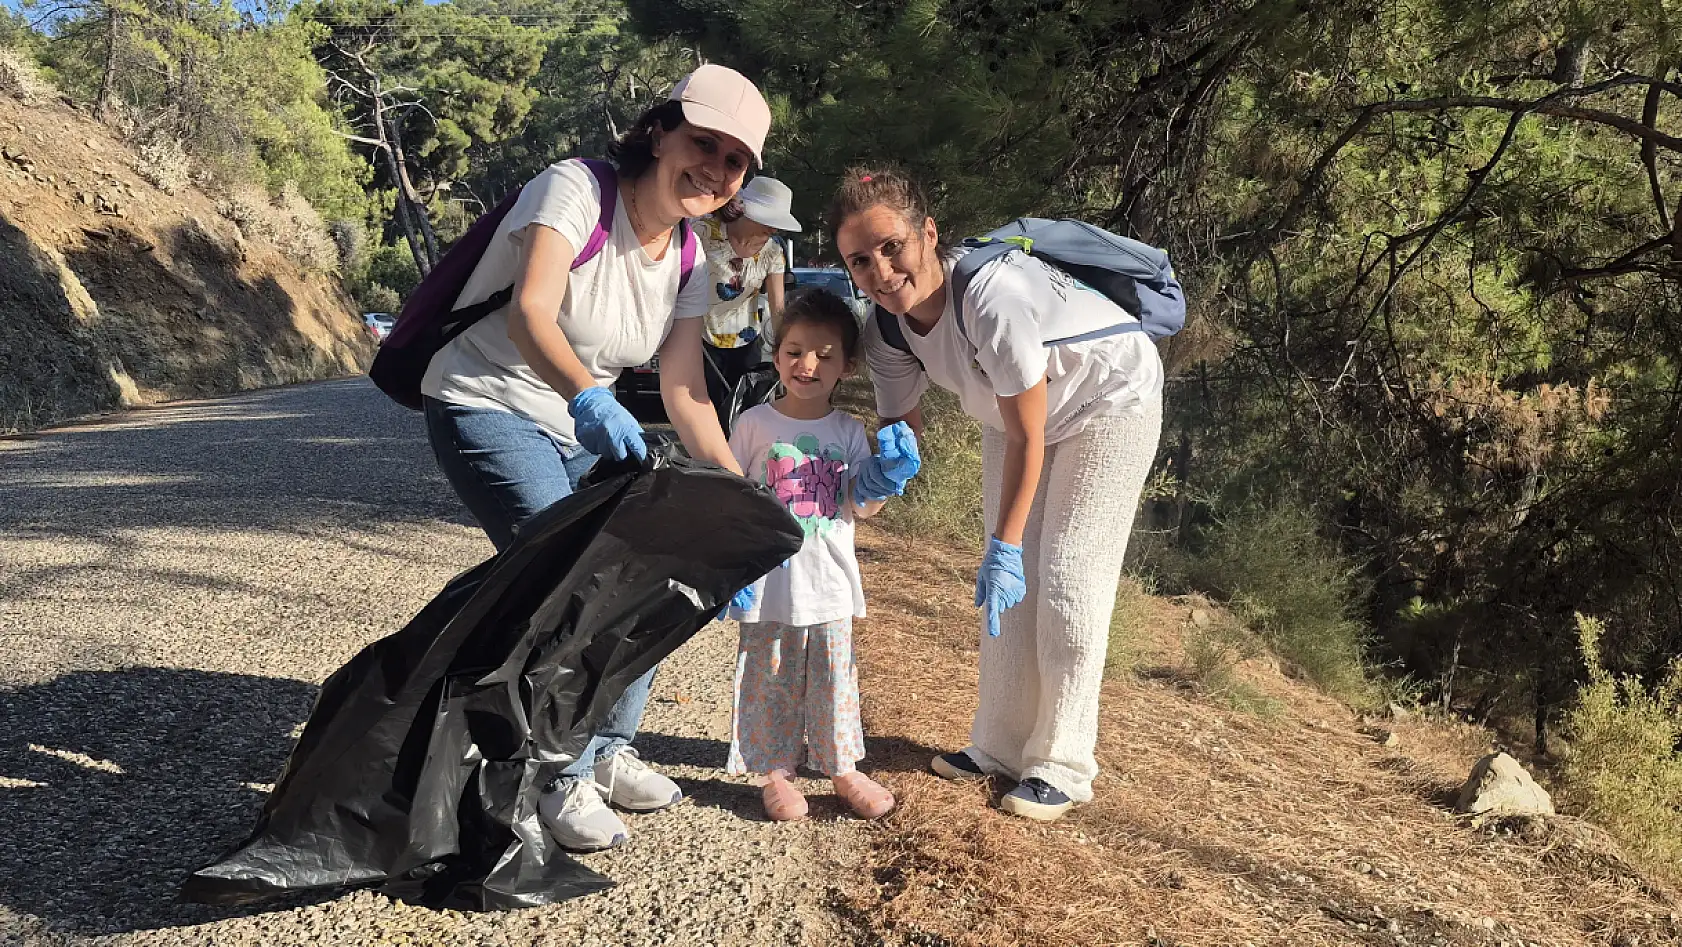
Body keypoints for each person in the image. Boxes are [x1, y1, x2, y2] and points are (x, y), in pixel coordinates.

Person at [417, 64, 771, 853]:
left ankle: (607, 750)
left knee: (651, 564)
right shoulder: (574, 190)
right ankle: (555, 775)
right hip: (490, 402)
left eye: (734, 160)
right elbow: (529, 312)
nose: (713, 168)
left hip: (582, 421)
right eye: (701, 142)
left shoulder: (689, 259)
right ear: (660, 131)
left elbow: (686, 392)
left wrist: (742, 498)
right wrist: (589, 397)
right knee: (578, 582)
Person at [830, 167, 1165, 822]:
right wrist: (890, 463)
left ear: (927, 233)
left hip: (1107, 399)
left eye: (892, 246)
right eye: (860, 261)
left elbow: (1030, 435)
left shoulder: (990, 294)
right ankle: (1001, 744)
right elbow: (903, 422)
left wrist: (1007, 543)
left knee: (1065, 577)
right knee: (1003, 594)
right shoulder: (885, 330)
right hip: (1010, 417)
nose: (881, 270)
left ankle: (1063, 763)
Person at [724, 288, 921, 822]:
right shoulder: (753, 427)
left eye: (823, 355)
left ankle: (841, 767)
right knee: (769, 675)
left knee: (837, 677)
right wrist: (728, 565)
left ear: (846, 367)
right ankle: (776, 772)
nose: (806, 365)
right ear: (776, 355)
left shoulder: (849, 431)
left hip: (830, 582)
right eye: (793, 351)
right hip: (768, 583)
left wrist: (884, 477)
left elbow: (862, 505)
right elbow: (729, 498)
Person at [695, 175, 799, 429]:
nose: (773, 230)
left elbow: (778, 308)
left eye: (777, 225)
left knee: (747, 418)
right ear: (747, 212)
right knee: (709, 418)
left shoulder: (773, 251)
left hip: (747, 340)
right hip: (701, 340)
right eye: (769, 222)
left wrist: (786, 351)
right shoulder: (703, 233)